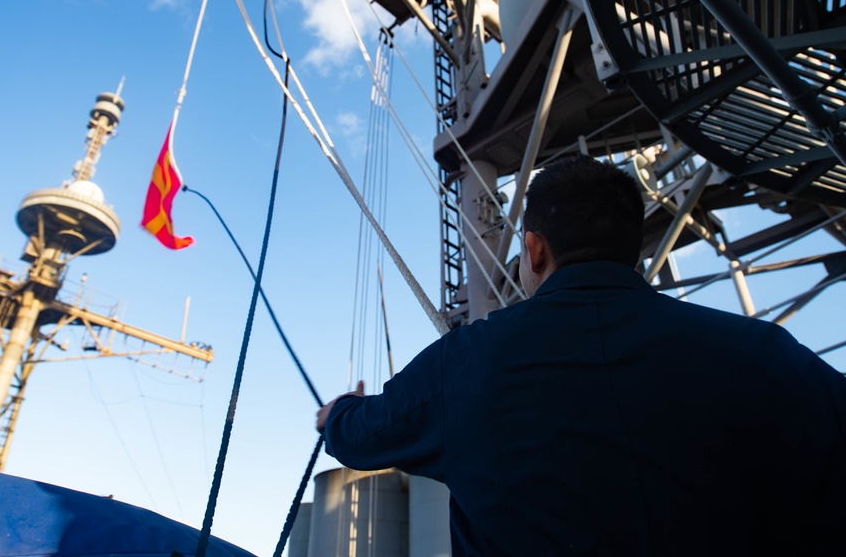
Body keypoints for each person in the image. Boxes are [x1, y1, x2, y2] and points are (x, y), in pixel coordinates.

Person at [316, 155, 846, 556]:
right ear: (634, 249)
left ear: (535, 249)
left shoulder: (466, 364)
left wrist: (335, 414)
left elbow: (361, 435)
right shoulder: (759, 351)